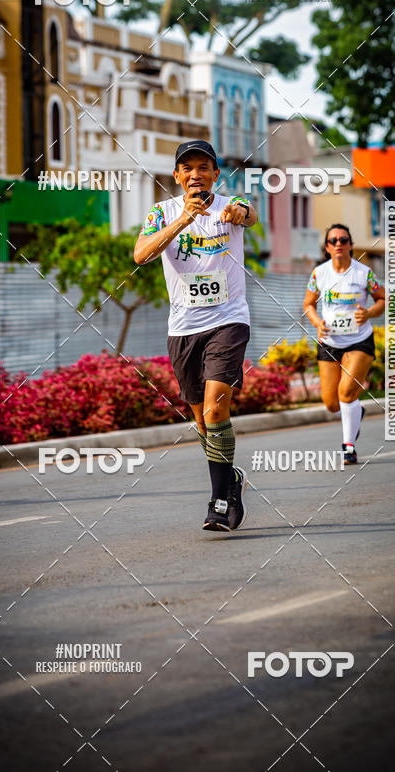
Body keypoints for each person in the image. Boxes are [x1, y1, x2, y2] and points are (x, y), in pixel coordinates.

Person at [134, 139, 258, 532]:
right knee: (201, 420)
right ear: (176, 176)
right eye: (187, 168)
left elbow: (249, 215)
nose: (195, 174)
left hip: (229, 320)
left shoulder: (229, 205)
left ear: (215, 174)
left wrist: (241, 212)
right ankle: (230, 480)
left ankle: (219, 502)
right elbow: (141, 255)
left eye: (203, 167)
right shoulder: (162, 213)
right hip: (184, 327)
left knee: (216, 410)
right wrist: (184, 220)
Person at [303, 224, 385, 464]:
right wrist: (317, 322)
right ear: (327, 247)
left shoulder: (364, 273)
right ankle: (356, 412)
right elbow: (308, 304)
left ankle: (349, 447)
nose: (338, 244)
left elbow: (381, 299)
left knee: (346, 392)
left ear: (350, 244)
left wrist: (369, 313)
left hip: (359, 340)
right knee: (331, 403)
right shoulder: (319, 274)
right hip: (329, 341)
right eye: (333, 241)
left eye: (343, 239)